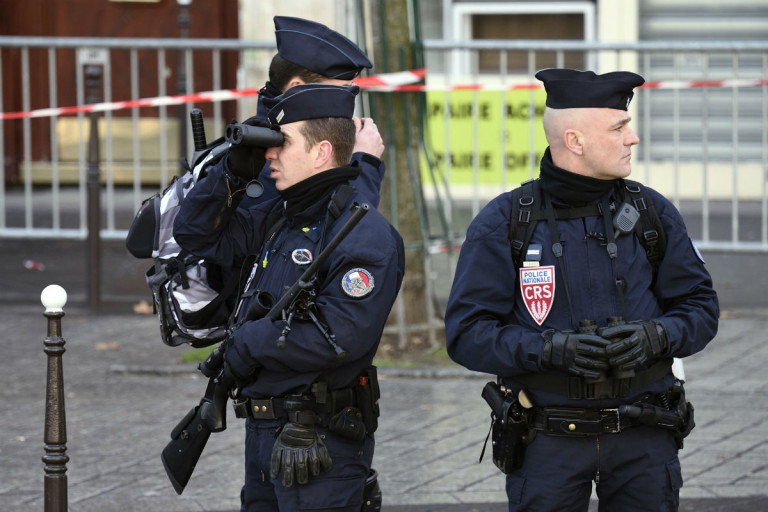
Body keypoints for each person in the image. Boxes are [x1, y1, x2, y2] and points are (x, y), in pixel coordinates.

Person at [444, 69, 719, 511]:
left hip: (645, 435)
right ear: (575, 140)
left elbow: (701, 308)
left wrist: (658, 336)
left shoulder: (652, 212)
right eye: (618, 127)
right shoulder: (506, 221)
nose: (632, 138)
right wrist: (547, 350)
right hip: (547, 441)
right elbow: (466, 334)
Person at [174, 83, 405, 511]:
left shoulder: (363, 234)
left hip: (318, 443)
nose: (271, 154)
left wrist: (247, 342)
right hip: (263, 433)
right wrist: (231, 173)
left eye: (284, 143)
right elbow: (193, 233)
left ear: (321, 153)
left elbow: (340, 337)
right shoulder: (283, 217)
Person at [240, 16, 385, 208]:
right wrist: (365, 162)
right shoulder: (273, 161)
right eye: (341, 90)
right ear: (295, 88)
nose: (346, 101)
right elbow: (348, 223)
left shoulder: (297, 139)